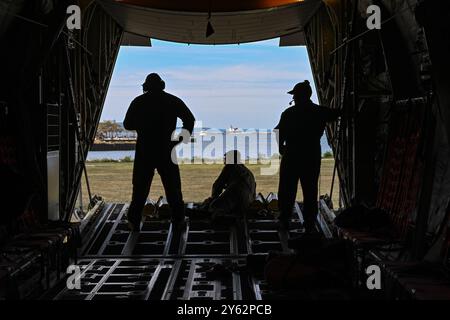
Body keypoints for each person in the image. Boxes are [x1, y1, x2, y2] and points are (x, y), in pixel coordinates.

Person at [123, 73, 195, 231]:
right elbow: (190, 120)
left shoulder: (139, 102)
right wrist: (178, 140)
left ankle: (134, 221)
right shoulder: (172, 100)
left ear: (146, 86)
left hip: (144, 150)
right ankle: (178, 221)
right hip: (166, 149)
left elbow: (127, 124)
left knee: (140, 189)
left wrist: (142, 125)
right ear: (162, 85)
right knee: (173, 188)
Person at [275, 80, 341, 232]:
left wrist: (281, 148)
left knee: (287, 189)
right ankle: (309, 223)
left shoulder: (289, 113)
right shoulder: (319, 112)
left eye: (295, 95)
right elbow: (338, 112)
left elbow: (278, 132)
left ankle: (284, 220)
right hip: (311, 157)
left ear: (298, 96)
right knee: (310, 191)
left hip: (291, 156)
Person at [205, 150, 256, 224]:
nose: (224, 161)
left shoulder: (230, 166)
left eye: (225, 158)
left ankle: (225, 222)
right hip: (247, 203)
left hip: (238, 199)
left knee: (213, 207)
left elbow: (217, 185)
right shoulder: (247, 171)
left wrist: (213, 199)